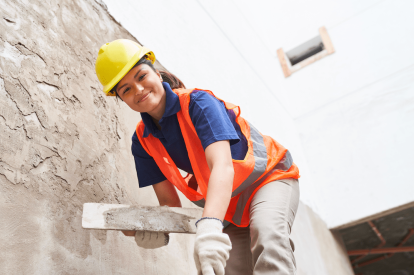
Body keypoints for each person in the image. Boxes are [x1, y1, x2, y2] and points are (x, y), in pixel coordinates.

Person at [95, 39, 300, 275]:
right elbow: (169, 205)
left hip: (267, 180)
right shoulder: (142, 141)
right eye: (126, 89)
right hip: (228, 206)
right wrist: (149, 228)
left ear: (156, 72)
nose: (138, 89)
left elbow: (222, 166)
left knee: (269, 237)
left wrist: (210, 225)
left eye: (141, 77)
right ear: (121, 98)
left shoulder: (197, 103)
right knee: (214, 267)